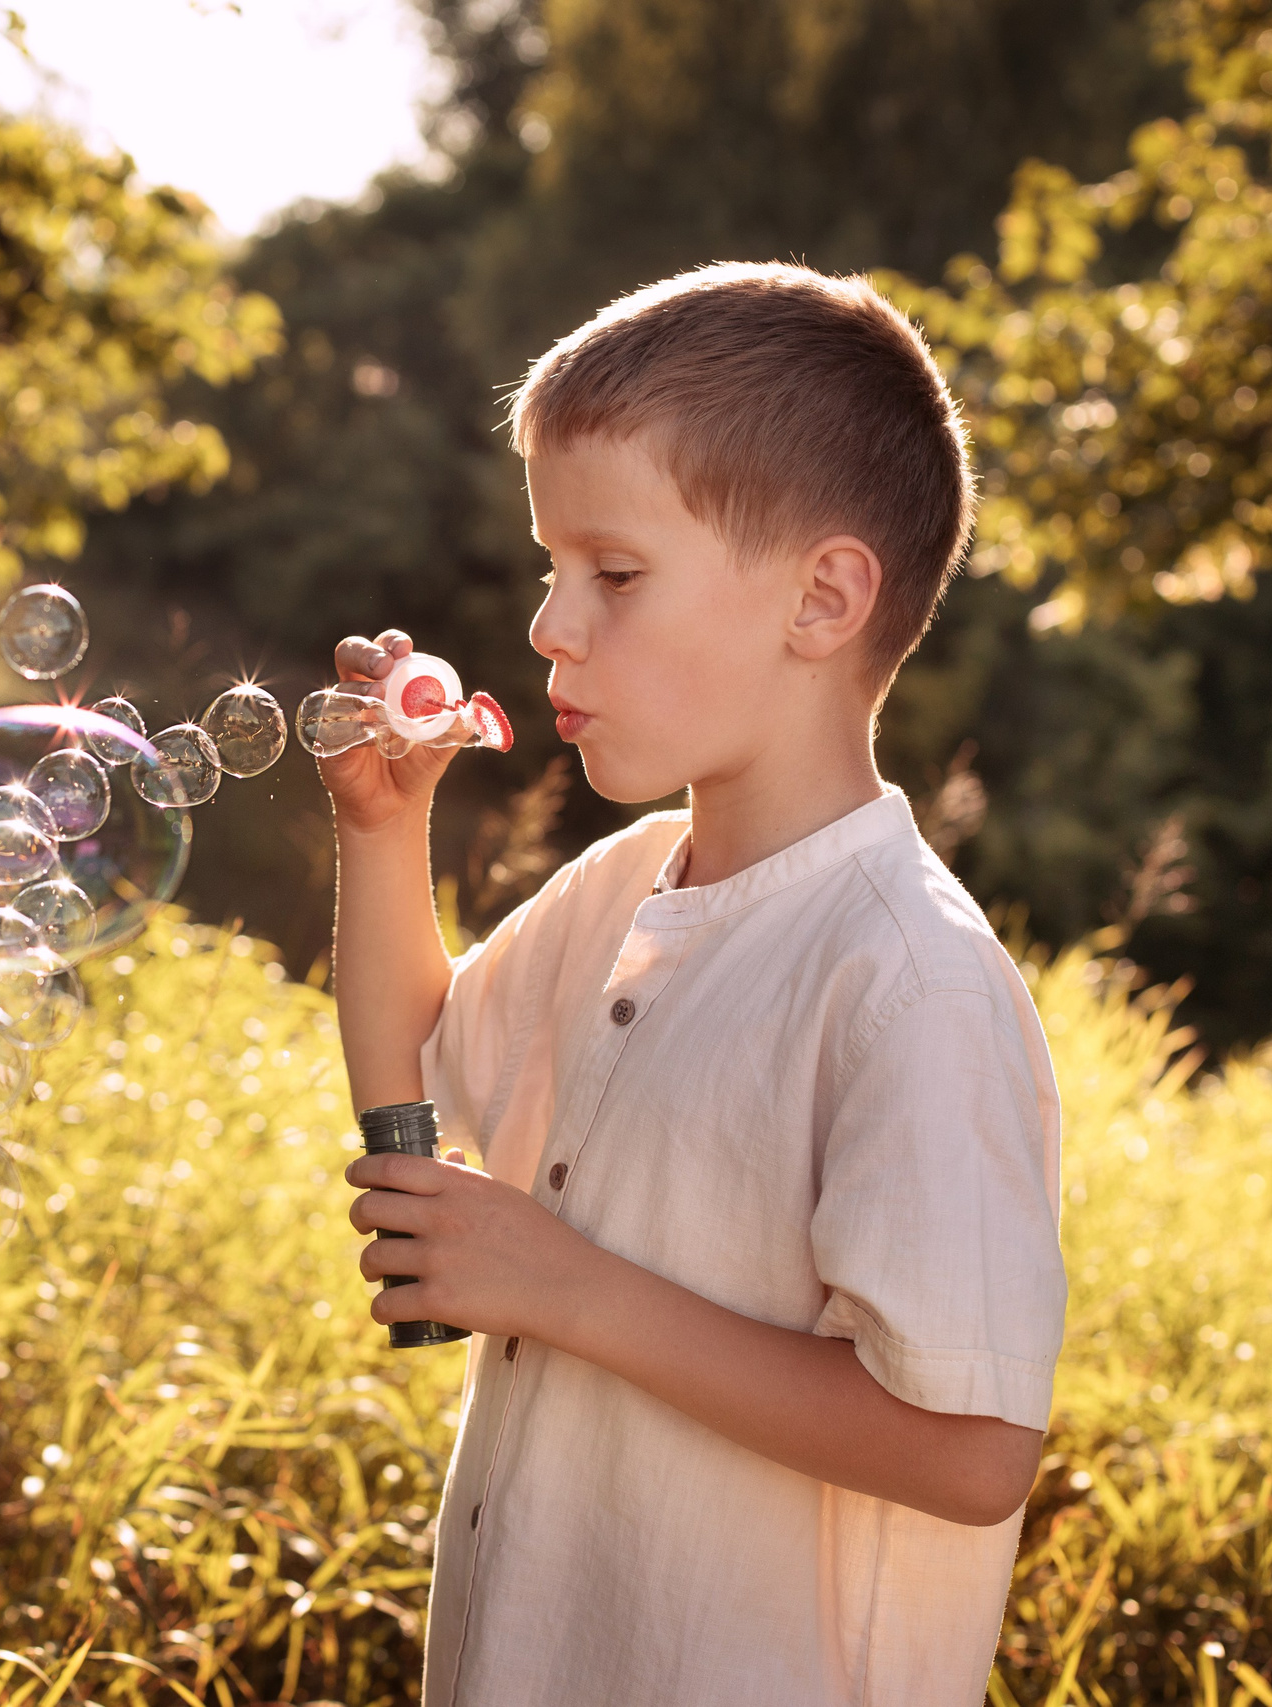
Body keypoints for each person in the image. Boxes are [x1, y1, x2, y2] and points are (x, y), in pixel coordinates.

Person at [321, 262, 1065, 1705]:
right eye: (551, 569)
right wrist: (377, 830)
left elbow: (973, 1452)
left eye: (613, 572)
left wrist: (570, 1291)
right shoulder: (625, 885)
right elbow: (414, 1059)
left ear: (823, 597)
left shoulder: (908, 982)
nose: (549, 623)